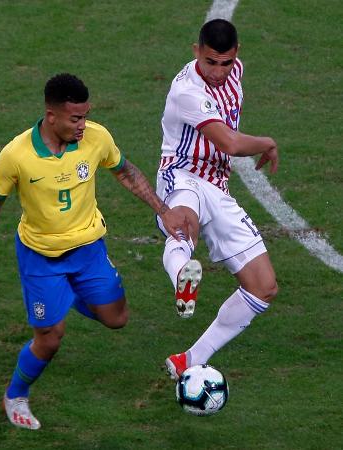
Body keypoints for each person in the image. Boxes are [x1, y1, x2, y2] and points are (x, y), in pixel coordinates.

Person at [0, 73, 190, 430]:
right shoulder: (16, 154)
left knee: (117, 318)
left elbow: (126, 172)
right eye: (75, 118)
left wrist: (164, 210)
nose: (83, 125)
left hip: (88, 249)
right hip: (41, 257)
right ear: (52, 116)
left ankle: (67, 296)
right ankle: (16, 394)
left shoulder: (96, 137)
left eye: (85, 115)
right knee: (49, 340)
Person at [155, 19, 279, 380]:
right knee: (184, 225)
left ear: (236, 55)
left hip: (218, 185)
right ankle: (182, 275)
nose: (218, 71)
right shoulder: (187, 92)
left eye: (225, 63)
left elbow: (226, 146)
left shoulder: (233, 71)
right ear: (196, 52)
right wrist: (268, 142)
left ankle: (188, 361)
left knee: (264, 286)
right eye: (210, 62)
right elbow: (230, 143)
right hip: (182, 174)